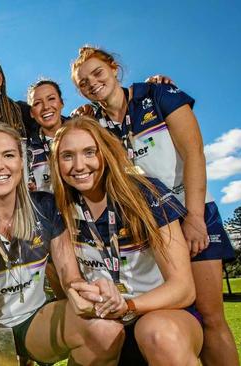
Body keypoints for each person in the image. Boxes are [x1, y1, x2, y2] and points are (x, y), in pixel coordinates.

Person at [71, 45, 238, 365]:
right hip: (149, 226)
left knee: (211, 316)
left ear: (114, 68)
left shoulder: (157, 94)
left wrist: (195, 217)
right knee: (167, 315)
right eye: (83, 83)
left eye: (97, 73)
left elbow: (194, 154)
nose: (92, 83)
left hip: (192, 214)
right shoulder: (96, 123)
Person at [0, 122, 125, 365]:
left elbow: (71, 277)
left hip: (33, 321)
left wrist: (89, 292)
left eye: (8, 155)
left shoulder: (45, 207)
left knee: (105, 331)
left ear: (22, 161)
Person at [50, 116, 203, 365]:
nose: (79, 165)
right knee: (96, 335)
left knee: (158, 334)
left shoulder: (145, 192)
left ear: (106, 153)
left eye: (90, 152)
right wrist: (83, 295)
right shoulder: (58, 209)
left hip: (159, 314)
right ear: (56, 163)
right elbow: (68, 280)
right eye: (67, 156)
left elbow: (183, 288)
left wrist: (128, 305)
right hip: (104, 320)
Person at [25, 79, 66, 193]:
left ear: (61, 103)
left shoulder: (84, 133)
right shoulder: (26, 149)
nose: (46, 107)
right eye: (37, 103)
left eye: (51, 99)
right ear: (32, 113)